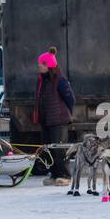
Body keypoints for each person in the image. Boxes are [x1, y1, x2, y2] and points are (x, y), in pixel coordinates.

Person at [34, 48, 75, 185]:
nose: (39, 66)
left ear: (49, 66)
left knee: (59, 149)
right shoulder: (42, 80)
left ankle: (66, 175)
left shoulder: (60, 80)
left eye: (42, 64)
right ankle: (54, 174)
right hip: (46, 120)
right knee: (48, 149)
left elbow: (70, 99)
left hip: (59, 120)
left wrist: (65, 114)